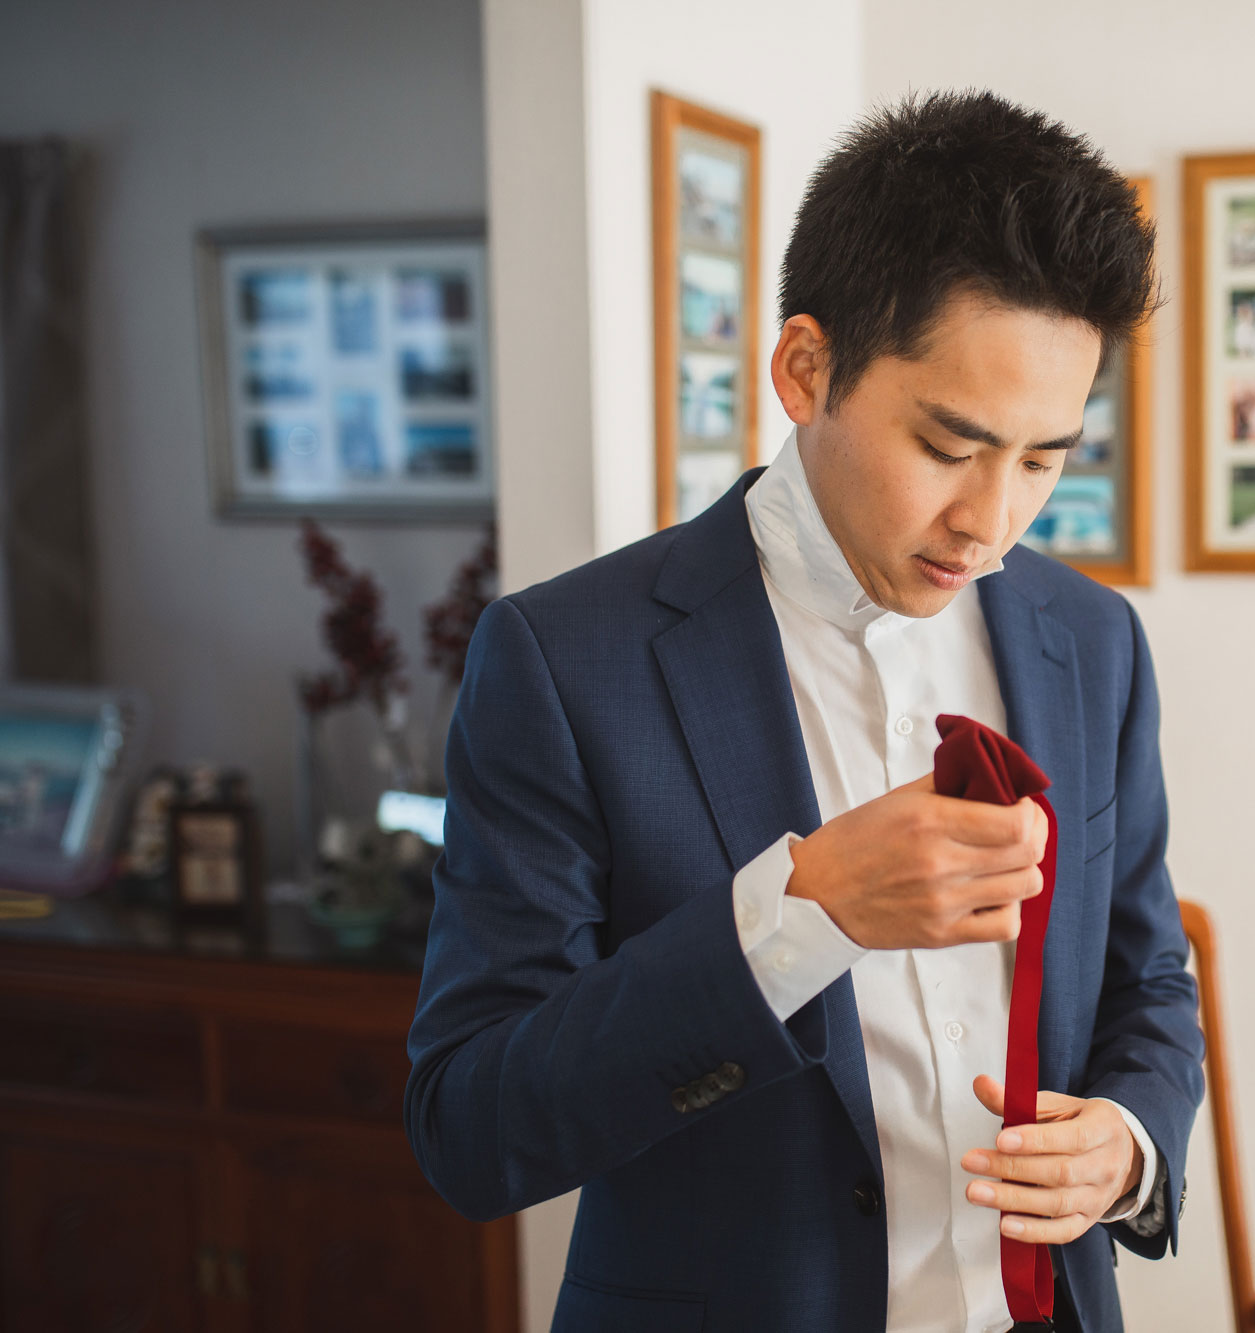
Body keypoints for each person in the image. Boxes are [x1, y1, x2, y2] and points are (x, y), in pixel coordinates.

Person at [404, 89, 1204, 1333]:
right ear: (804, 367)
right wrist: (798, 914)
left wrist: (1130, 1143)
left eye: (1043, 459)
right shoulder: (563, 660)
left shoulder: (1091, 640)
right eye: (949, 445)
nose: (992, 523)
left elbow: (1146, 973)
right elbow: (470, 1126)